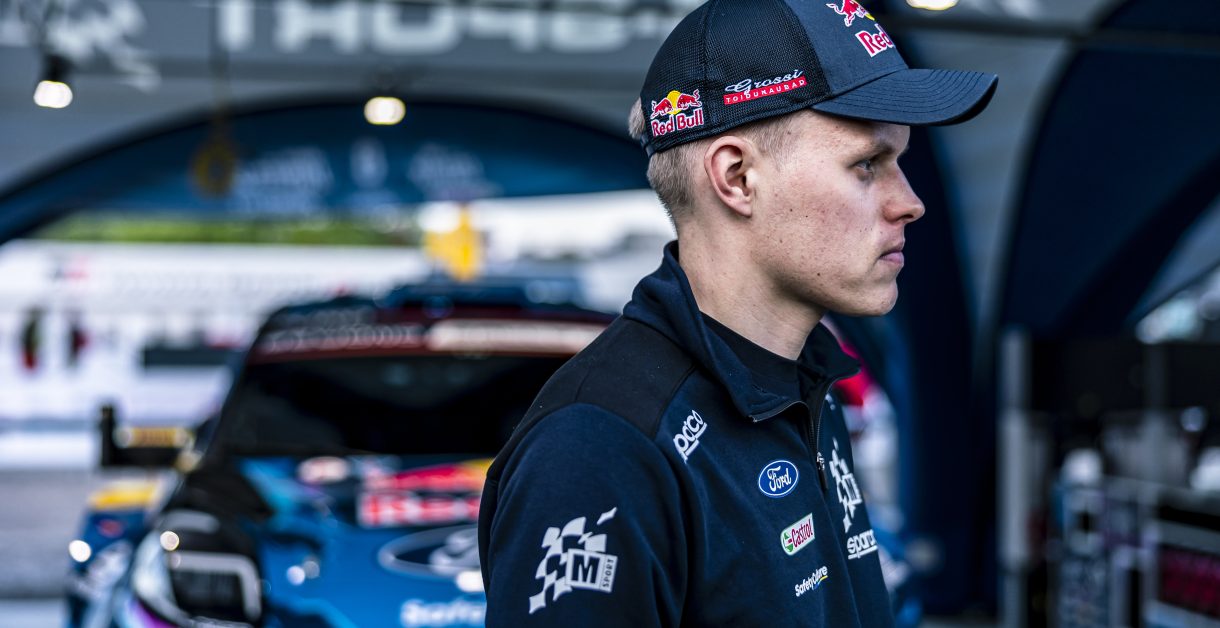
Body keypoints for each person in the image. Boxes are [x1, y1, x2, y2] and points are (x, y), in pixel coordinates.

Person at [478, 0, 997, 624]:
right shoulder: (599, 449)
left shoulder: (803, 382)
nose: (909, 202)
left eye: (902, 163)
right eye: (867, 164)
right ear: (737, 178)